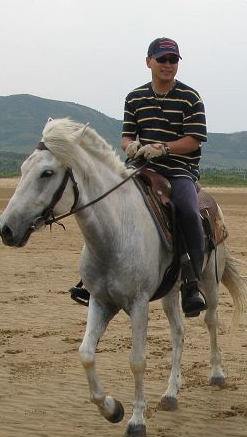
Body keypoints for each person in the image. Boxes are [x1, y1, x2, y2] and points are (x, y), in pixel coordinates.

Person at [70, 37, 208, 317]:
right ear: (149, 62)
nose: (168, 65)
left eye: (173, 60)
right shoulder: (135, 98)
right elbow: (127, 136)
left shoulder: (191, 97)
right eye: (162, 59)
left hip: (179, 170)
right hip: (140, 165)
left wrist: (165, 148)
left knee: (189, 210)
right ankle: (91, 278)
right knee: (106, 204)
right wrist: (130, 146)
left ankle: (192, 281)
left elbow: (194, 140)